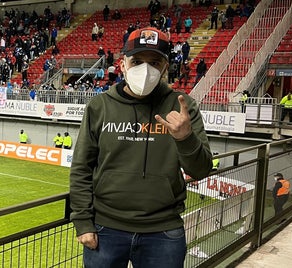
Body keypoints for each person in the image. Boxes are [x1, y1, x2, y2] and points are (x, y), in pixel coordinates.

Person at [69, 27, 213, 268]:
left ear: (165, 68)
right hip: (106, 228)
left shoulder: (182, 106)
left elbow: (201, 170)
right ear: (123, 65)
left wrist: (185, 138)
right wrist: (83, 221)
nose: (145, 70)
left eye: (155, 62)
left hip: (164, 231)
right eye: (136, 61)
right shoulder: (99, 106)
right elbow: (81, 167)